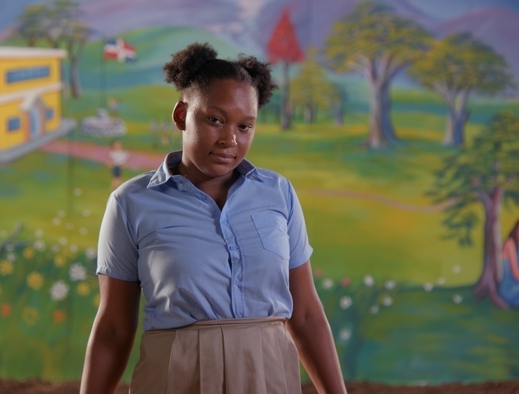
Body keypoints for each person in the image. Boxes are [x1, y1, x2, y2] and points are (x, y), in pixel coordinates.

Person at [80, 42, 346, 394]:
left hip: (269, 375)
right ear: (181, 116)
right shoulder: (132, 202)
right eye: (215, 120)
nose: (229, 140)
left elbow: (307, 315)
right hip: (174, 376)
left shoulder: (278, 193)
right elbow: (113, 328)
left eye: (245, 126)